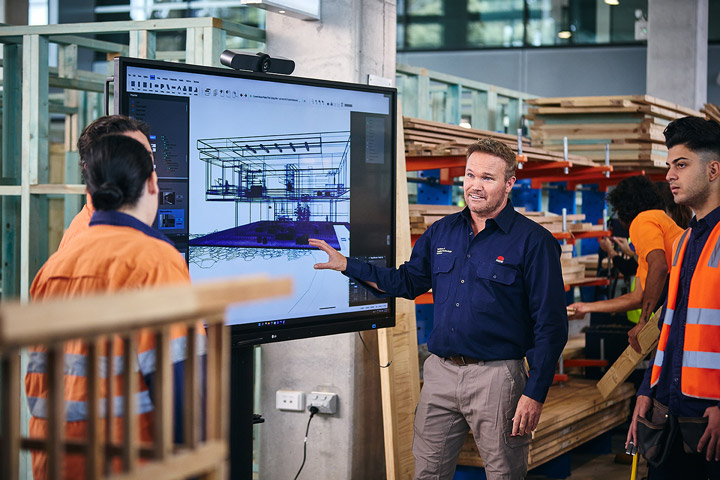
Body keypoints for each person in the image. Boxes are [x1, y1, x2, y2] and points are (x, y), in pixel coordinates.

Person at [310, 138, 568, 480]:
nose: (475, 185)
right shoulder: (441, 233)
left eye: (488, 178)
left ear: (509, 184)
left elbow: (550, 325)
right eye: (470, 175)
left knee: (504, 473)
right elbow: (406, 282)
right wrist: (348, 265)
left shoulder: (534, 242)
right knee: (428, 472)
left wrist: (534, 393)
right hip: (440, 375)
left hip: (497, 378)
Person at [25, 135, 203, 480]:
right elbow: (180, 380)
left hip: (55, 461)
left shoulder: (55, 265)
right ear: (152, 182)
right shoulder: (155, 259)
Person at [627, 116, 720, 479]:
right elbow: (673, 327)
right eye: (669, 166)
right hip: (670, 411)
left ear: (713, 169)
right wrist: (647, 389)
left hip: (709, 417)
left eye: (681, 165)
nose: (669, 175)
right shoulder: (682, 243)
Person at [568, 176, 683, 353]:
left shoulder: (642, 221)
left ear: (622, 209)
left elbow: (660, 267)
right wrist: (586, 307)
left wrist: (643, 321)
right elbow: (636, 298)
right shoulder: (658, 221)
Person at [58, 115, 152, 250]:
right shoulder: (97, 242)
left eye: (146, 157)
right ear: (91, 168)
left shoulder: (119, 228)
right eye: (128, 159)